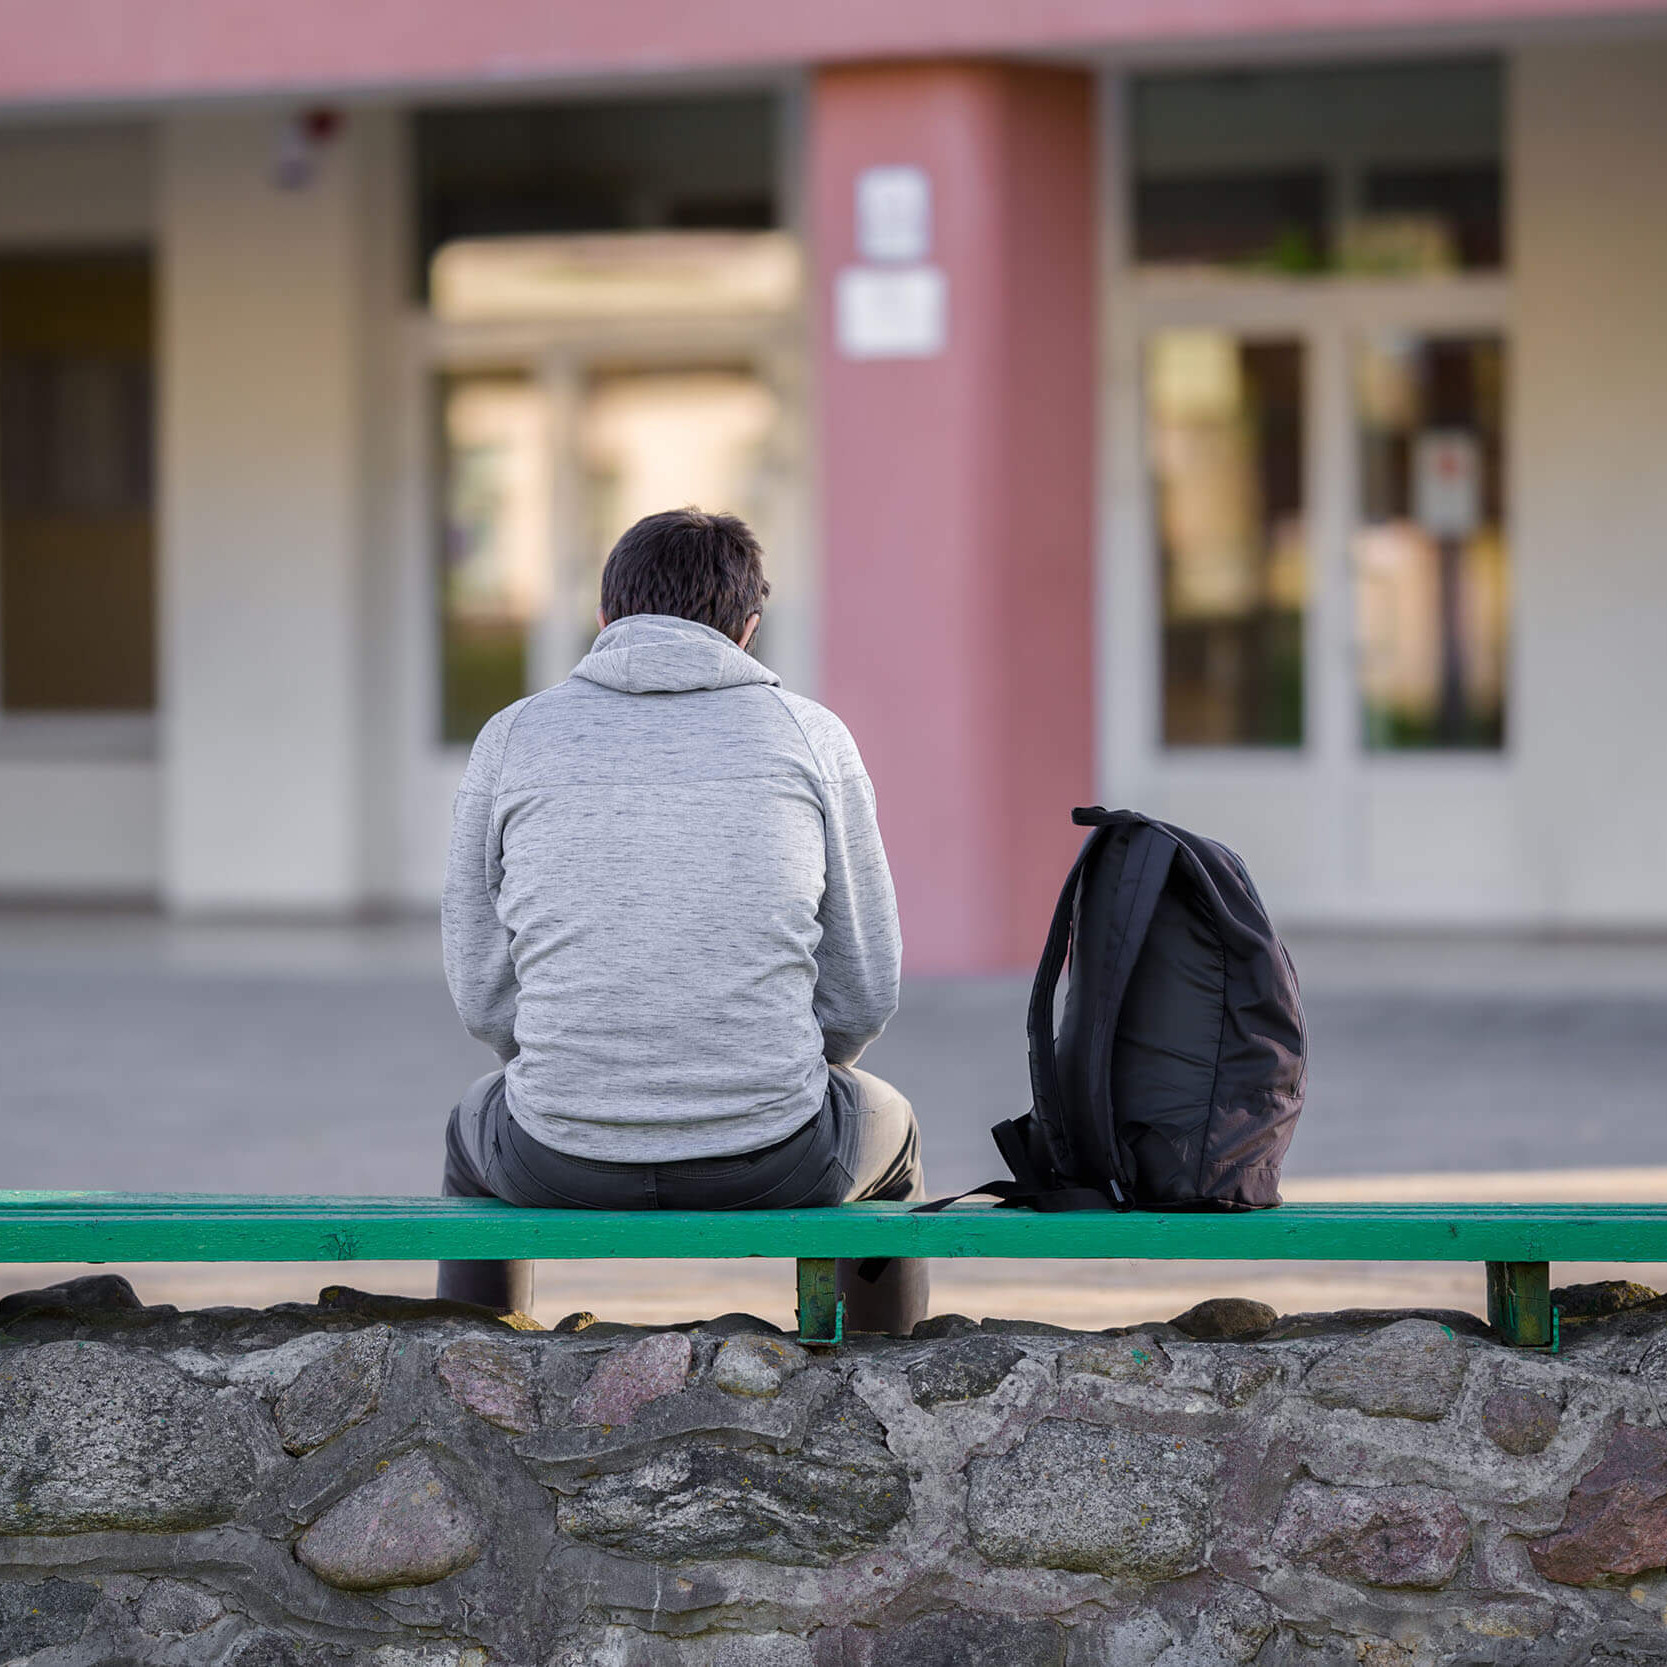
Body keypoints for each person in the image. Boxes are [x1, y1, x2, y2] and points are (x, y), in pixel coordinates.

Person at [437, 507, 927, 1333]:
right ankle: (879, 1384)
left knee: (470, 1127)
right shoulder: (809, 737)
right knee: (896, 1128)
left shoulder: (513, 736)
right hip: (778, 1154)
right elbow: (865, 989)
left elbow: (483, 991)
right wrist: (782, 1071)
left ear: (604, 619)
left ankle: (480, 1375)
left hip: (555, 1156)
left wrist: (581, 1071)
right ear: (747, 629)